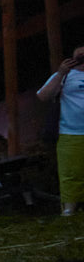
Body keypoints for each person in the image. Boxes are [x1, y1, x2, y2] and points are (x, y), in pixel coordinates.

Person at [36, 44, 84, 216]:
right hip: (70, 131)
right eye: (78, 56)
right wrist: (61, 72)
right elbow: (43, 96)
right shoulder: (65, 76)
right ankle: (70, 208)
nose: (81, 58)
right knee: (70, 172)